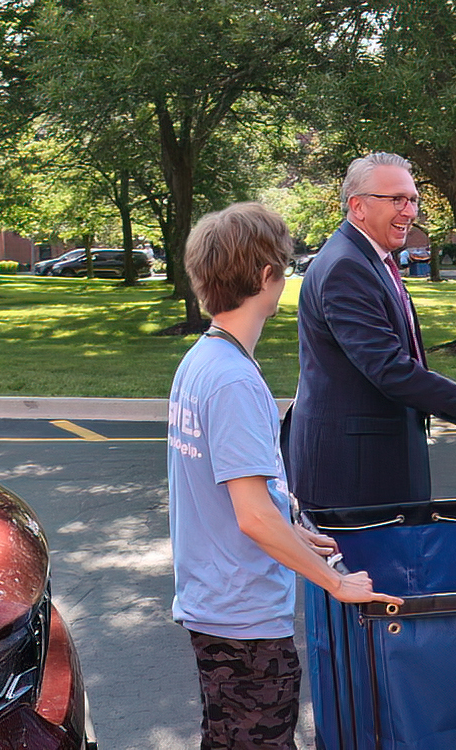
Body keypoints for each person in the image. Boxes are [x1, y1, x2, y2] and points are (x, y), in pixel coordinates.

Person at [168, 202, 403, 749]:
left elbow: (228, 493)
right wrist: (336, 583)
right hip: (243, 617)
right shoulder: (233, 381)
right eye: (286, 267)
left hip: (215, 605)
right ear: (266, 277)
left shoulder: (201, 362)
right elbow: (252, 518)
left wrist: (292, 529)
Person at [287, 152, 456, 508]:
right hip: (354, 476)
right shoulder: (346, 267)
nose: (409, 212)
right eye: (396, 199)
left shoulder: (370, 259)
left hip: (376, 466)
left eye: (412, 200)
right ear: (358, 206)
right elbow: (389, 369)